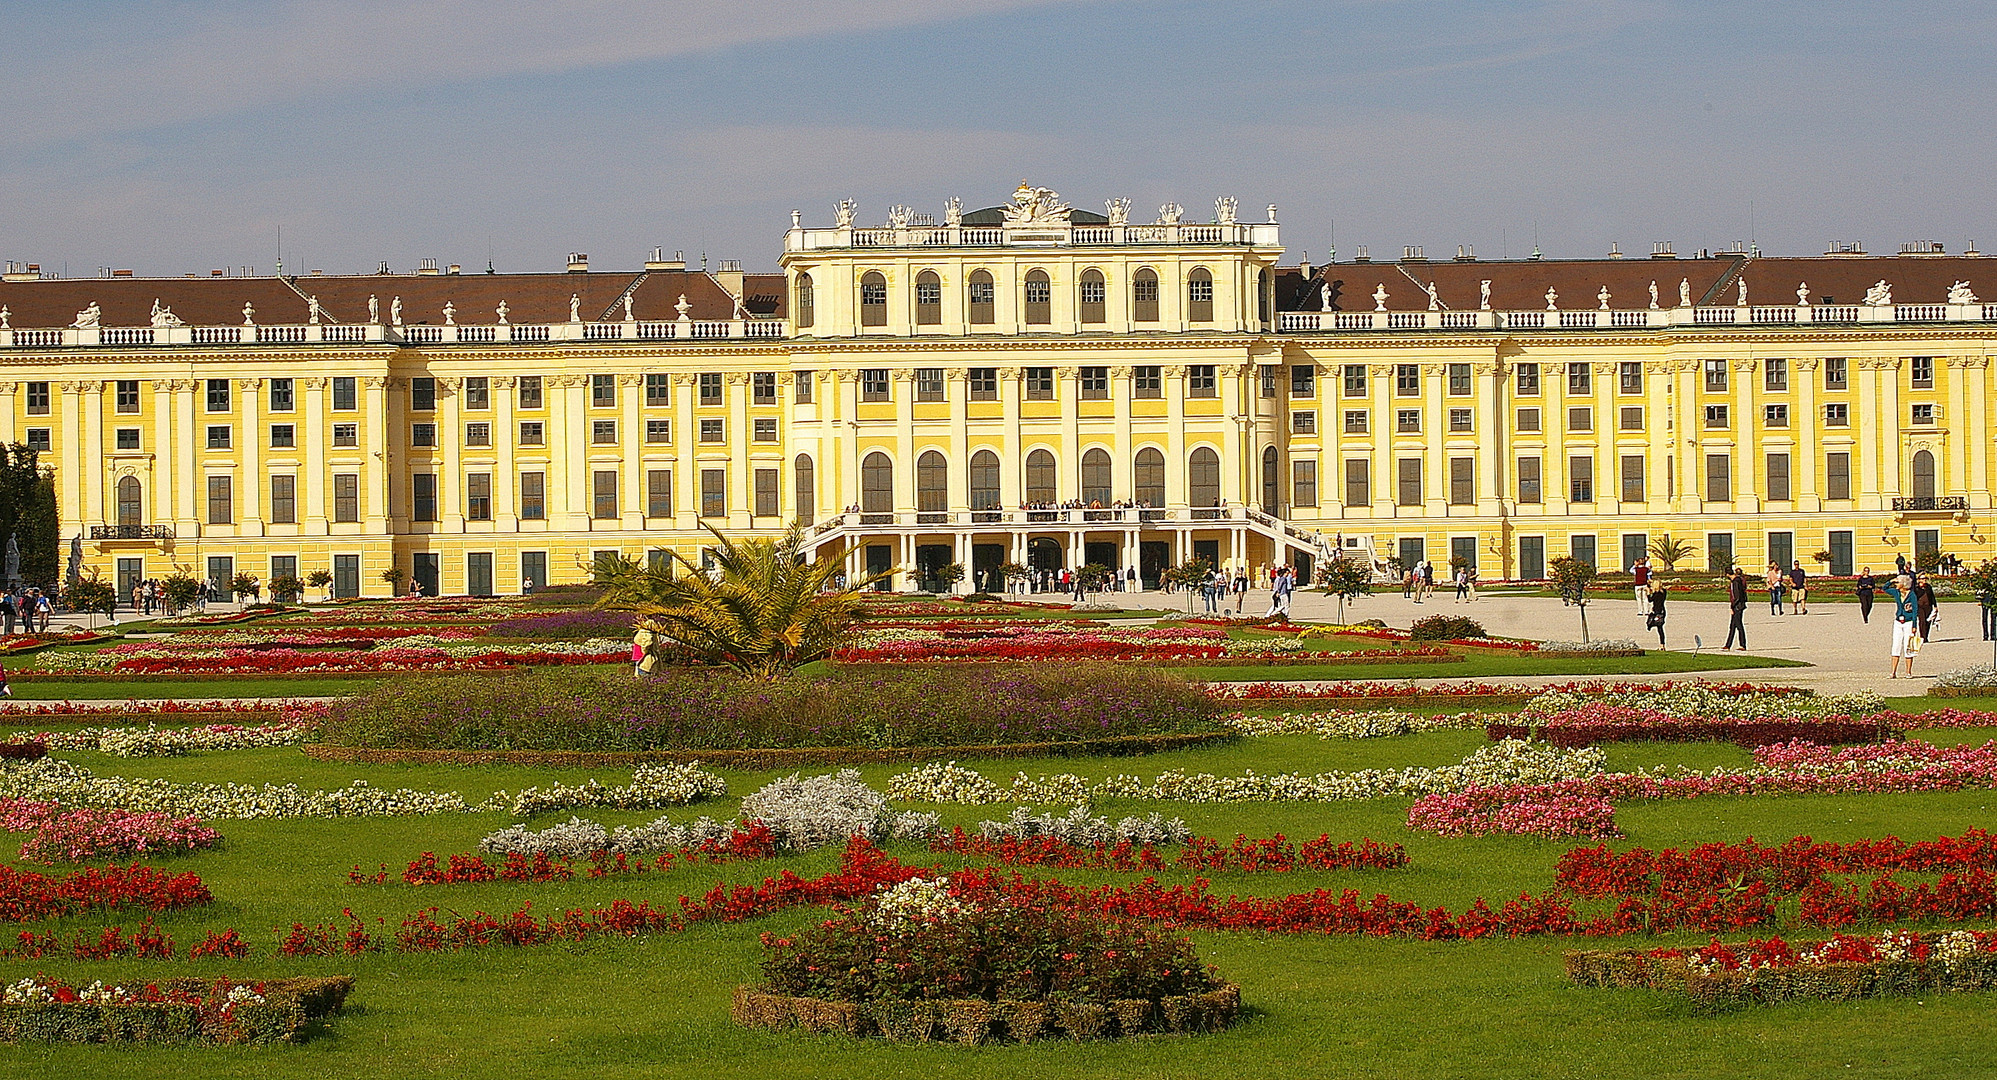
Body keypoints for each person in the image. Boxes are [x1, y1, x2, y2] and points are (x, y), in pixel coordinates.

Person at [1885, 574, 1921, 678]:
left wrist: (1914, 625)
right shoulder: (1896, 592)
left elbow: (1915, 610)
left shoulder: (1912, 595)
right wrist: (1891, 580)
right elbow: (1885, 588)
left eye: (1898, 582)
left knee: (1907, 646)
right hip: (1898, 622)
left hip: (1908, 622)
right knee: (1895, 645)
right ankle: (1893, 672)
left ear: (1903, 584)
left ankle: (1908, 672)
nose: (1896, 584)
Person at [1724, 567, 1749, 650]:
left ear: (1727, 574)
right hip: (1739, 605)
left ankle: (1743, 645)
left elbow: (1736, 596)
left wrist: (1732, 606)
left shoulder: (1735, 582)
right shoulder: (1738, 580)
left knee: (1738, 625)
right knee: (1732, 626)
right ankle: (1728, 645)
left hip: (1737, 606)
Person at [1645, 579, 1668, 647]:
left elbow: (1650, 600)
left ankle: (1662, 645)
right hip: (1662, 611)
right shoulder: (1663, 592)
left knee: (1656, 626)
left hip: (1658, 611)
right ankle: (1662, 644)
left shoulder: (1656, 594)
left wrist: (1648, 593)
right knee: (1660, 628)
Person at [1916, 577, 1939, 644]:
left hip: (1928, 606)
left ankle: (1926, 636)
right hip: (1919, 606)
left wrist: (1935, 605)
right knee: (1922, 620)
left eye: (1925, 579)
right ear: (1919, 580)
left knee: (1928, 621)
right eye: (1923, 579)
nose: (1924, 580)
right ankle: (1922, 637)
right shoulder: (1916, 588)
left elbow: (1932, 596)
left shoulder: (1928, 587)